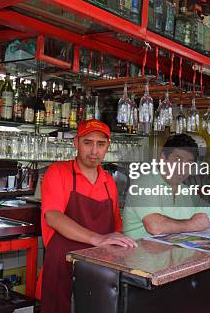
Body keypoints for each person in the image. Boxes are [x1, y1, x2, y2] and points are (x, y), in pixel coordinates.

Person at [38, 119, 137, 313]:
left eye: (101, 144)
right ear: (76, 143)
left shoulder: (109, 181)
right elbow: (53, 217)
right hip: (62, 268)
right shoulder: (58, 172)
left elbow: (116, 228)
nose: (94, 151)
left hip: (98, 271)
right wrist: (98, 239)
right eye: (87, 142)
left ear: (108, 146)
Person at [123, 133, 210, 239]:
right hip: (140, 261)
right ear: (163, 158)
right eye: (178, 160)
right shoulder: (144, 184)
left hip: (170, 259)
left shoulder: (185, 190)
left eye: (189, 163)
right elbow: (154, 226)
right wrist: (192, 224)